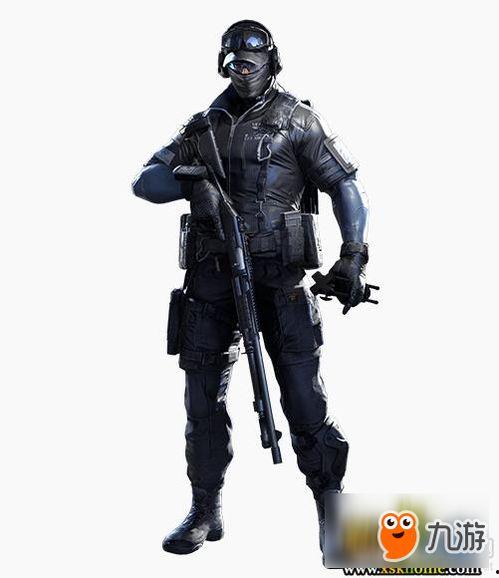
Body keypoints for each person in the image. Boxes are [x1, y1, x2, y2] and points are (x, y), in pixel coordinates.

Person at [132, 20, 370, 556]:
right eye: (234, 63)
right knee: (202, 401)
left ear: (271, 63)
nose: (241, 72)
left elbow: (344, 184)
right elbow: (145, 181)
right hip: (212, 278)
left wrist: (353, 254)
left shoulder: (298, 120)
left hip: (280, 277)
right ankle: (205, 509)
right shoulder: (204, 125)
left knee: (304, 399)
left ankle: (332, 510)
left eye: (251, 63)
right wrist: (192, 180)